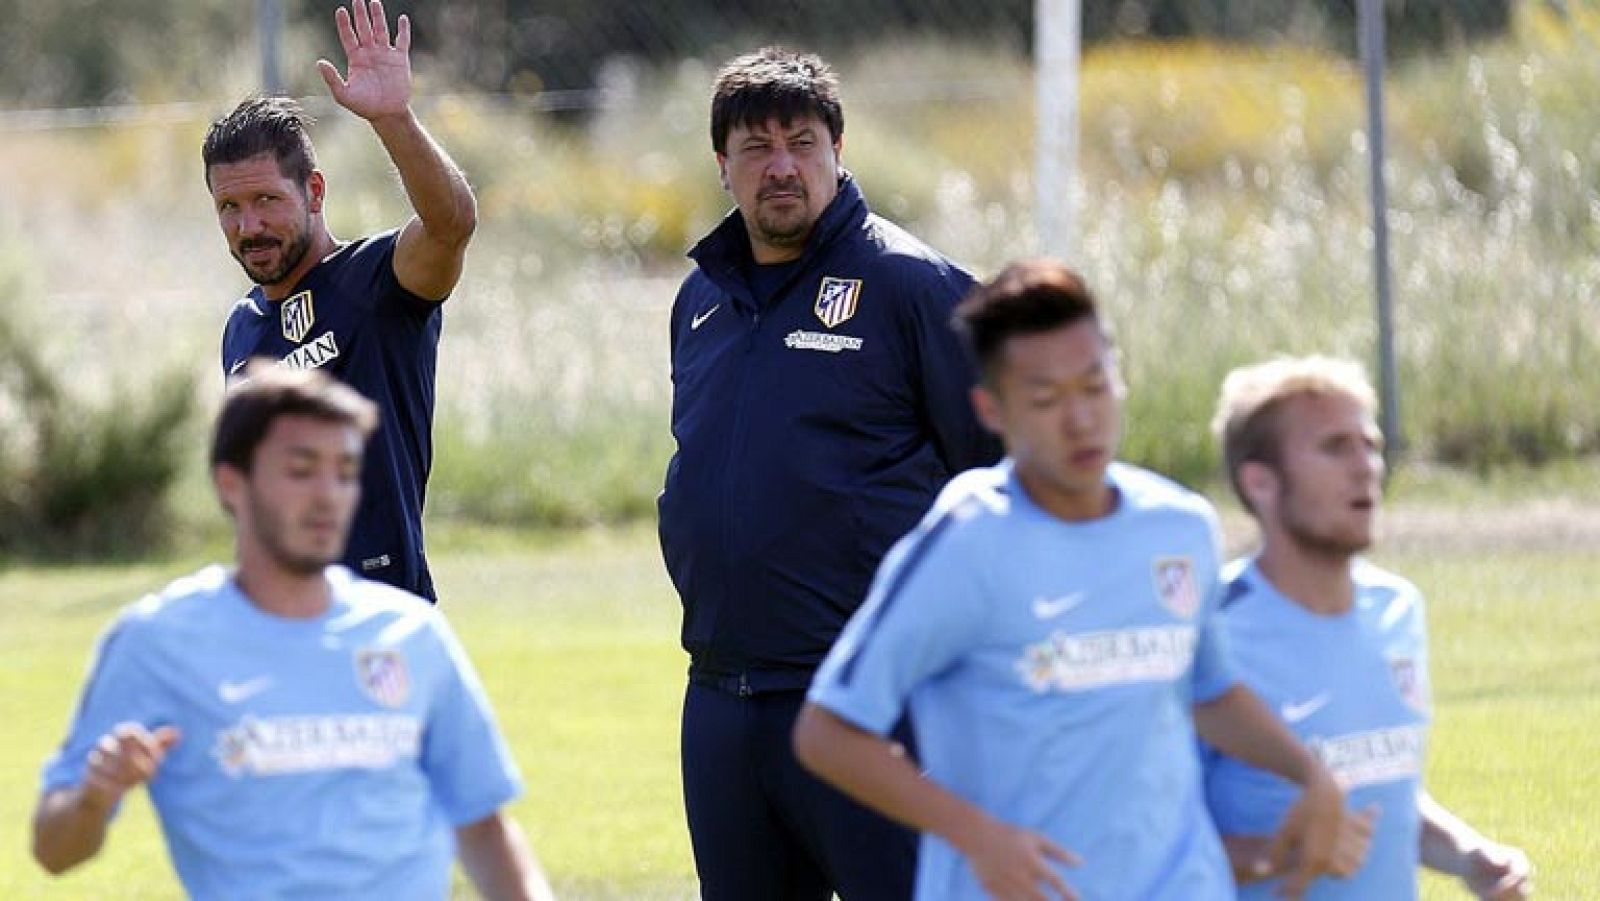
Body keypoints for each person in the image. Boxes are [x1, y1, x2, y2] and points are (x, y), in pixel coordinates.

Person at [794, 259, 1348, 900]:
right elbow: (828, 732)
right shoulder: (967, 543)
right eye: (1045, 399)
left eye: (1094, 386)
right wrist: (979, 838)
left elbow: (1210, 692)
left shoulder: (1179, 526)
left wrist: (1310, 773)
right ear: (990, 409)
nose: (1081, 419)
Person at [657, 46, 1001, 899]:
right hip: (722, 698)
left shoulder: (913, 285)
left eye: (802, 143)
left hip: (871, 701)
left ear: (837, 151)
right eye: (756, 147)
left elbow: (1001, 484)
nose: (782, 167)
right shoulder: (699, 299)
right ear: (722, 165)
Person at [31, 364, 553, 900]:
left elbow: (483, 826)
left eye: (345, 472)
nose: (329, 496)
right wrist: (93, 798)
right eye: (301, 471)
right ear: (231, 484)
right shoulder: (157, 642)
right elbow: (53, 848)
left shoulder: (410, 632)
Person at [1203, 355, 1534, 899]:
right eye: (1335, 448)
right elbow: (1149, 839)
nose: (1366, 468)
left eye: (1370, 445)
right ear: (1260, 482)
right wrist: (1278, 856)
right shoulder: (1209, 631)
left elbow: (1384, 794)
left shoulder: (1397, 609)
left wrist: (1469, 855)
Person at [205, 0, 477, 601]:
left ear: (314, 191)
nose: (249, 226)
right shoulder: (242, 327)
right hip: (278, 620)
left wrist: (394, 120)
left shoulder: (376, 282)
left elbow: (451, 224)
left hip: (380, 612)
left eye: (267, 200)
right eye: (230, 207)